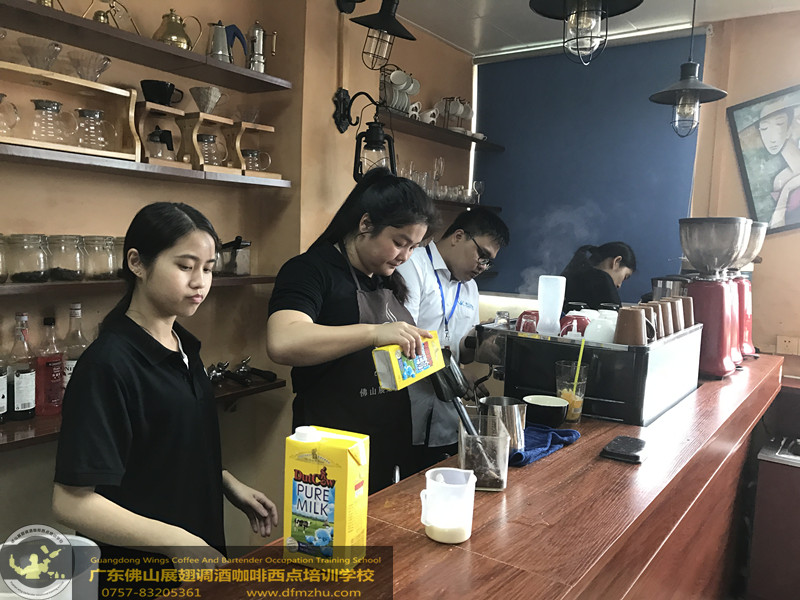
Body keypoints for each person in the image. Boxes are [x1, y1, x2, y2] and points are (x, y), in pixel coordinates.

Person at [53, 203, 279, 585]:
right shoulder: (107, 366)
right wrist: (178, 543)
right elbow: (70, 503)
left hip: (198, 557)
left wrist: (226, 482)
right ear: (137, 263)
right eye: (185, 266)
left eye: (208, 269)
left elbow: (166, 443)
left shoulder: (183, 346)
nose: (200, 282)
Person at [266, 168, 437, 493]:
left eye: (414, 247)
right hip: (329, 451)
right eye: (399, 243)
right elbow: (283, 340)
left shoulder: (387, 278)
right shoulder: (310, 270)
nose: (405, 257)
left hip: (385, 440)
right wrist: (373, 333)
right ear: (365, 224)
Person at [395, 207, 510, 470]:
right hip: (407, 411)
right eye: (482, 255)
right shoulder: (413, 266)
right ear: (458, 236)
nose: (482, 267)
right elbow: (403, 339)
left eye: (489, 262)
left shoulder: (470, 287)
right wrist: (456, 372)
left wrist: (482, 345)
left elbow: (461, 349)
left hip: (446, 418)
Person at [756, 99, 800, 228]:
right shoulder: (780, 180)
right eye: (764, 128)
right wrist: (787, 188)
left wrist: (788, 187)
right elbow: (777, 226)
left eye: (779, 124)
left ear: (790, 128)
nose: (772, 138)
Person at [560, 241, 636, 309]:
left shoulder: (572, 274)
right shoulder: (602, 280)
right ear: (616, 261)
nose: (619, 285)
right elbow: (619, 319)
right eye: (625, 277)